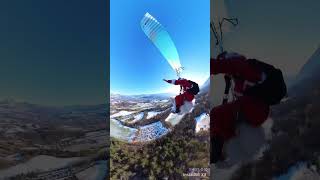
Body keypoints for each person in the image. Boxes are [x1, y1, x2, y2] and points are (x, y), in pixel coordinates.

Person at [210, 52, 286, 163]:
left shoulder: (239, 64)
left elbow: (217, 66)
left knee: (216, 114)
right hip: (259, 112)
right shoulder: (246, 73)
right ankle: (223, 150)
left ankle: (217, 151)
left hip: (253, 109)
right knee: (227, 121)